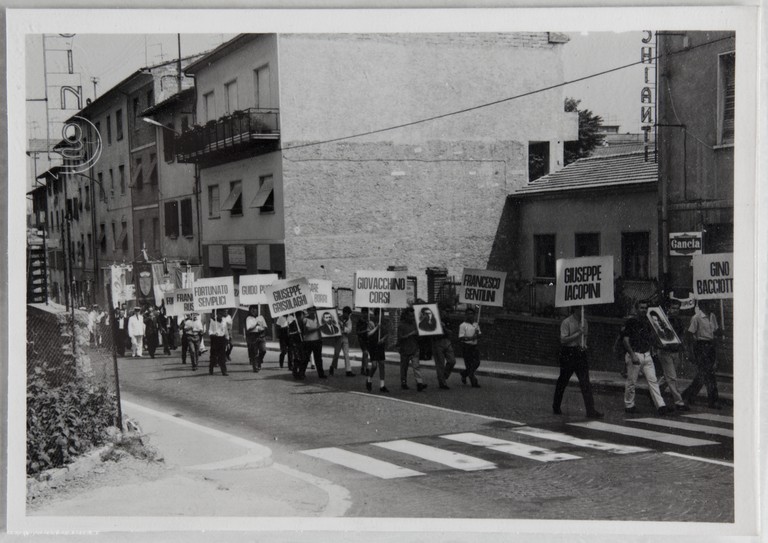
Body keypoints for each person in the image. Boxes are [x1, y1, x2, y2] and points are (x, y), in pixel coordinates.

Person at [551, 305, 603, 418]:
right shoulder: (566, 322)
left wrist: (585, 344)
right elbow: (563, 340)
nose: (583, 311)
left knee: (585, 382)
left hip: (580, 353)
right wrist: (578, 333)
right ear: (575, 309)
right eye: (580, 309)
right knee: (563, 380)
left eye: (584, 308)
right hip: (568, 353)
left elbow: (585, 337)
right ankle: (556, 406)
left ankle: (590, 410)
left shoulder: (585, 322)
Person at [621, 300, 669, 415]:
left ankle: (661, 406)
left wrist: (659, 344)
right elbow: (625, 340)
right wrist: (632, 355)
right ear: (637, 309)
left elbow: (650, 338)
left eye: (645, 308)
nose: (644, 310)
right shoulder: (631, 321)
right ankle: (629, 405)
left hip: (646, 354)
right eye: (641, 308)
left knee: (653, 381)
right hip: (635, 354)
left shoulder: (648, 322)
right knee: (632, 382)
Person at [681, 300, 724, 409]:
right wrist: (690, 351)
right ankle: (713, 401)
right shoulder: (696, 318)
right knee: (709, 374)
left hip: (710, 346)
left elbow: (714, 332)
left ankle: (687, 395)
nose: (712, 305)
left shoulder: (712, 316)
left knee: (704, 374)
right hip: (701, 346)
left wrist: (719, 335)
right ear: (702, 305)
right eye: (709, 303)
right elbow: (689, 334)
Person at [652, 306, 689, 411]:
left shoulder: (679, 321)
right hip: (665, 351)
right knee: (672, 377)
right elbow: (656, 334)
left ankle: (654, 392)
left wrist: (682, 346)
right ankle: (679, 402)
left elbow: (681, 335)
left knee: (668, 376)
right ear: (668, 309)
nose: (675, 310)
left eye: (677, 308)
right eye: (672, 308)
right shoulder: (663, 321)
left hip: (675, 351)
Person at [397, 307, 426, 391]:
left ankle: (419, 383)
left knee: (416, 366)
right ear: (406, 316)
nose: (412, 318)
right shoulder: (401, 325)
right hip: (405, 349)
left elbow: (419, 334)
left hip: (414, 348)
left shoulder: (414, 324)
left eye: (413, 316)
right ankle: (403, 382)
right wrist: (410, 334)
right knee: (404, 367)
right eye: (410, 316)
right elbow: (400, 338)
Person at [431, 304, 456, 390]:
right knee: (440, 363)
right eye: (446, 311)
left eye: (449, 312)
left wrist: (444, 327)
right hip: (437, 341)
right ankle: (442, 382)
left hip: (446, 341)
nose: (447, 313)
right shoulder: (434, 319)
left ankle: (443, 376)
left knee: (452, 361)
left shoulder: (448, 320)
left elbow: (451, 332)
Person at [366, 308, 390, 393]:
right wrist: (376, 328)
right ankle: (369, 379)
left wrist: (383, 339)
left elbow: (387, 333)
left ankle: (382, 385)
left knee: (382, 364)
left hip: (380, 345)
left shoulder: (384, 323)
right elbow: (368, 334)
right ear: (377, 315)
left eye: (383, 314)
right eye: (381, 314)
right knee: (374, 365)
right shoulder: (371, 323)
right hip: (373, 345)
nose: (382, 316)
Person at [458, 307, 482, 388]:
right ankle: (474, 382)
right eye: (468, 314)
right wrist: (471, 338)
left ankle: (464, 374)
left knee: (477, 362)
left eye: (472, 314)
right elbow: (461, 338)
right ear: (466, 315)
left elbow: (480, 335)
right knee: (469, 364)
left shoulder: (476, 324)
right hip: (467, 347)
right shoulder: (463, 325)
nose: (470, 315)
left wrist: (477, 334)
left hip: (474, 346)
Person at [302, 307, 327, 379]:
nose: (313, 312)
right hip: (308, 341)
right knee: (305, 358)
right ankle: (302, 373)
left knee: (318, 359)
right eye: (311, 311)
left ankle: (321, 374)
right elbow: (307, 330)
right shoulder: (305, 320)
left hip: (317, 340)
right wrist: (318, 328)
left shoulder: (319, 319)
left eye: (314, 310)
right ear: (308, 311)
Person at [330, 306, 355, 377]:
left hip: (345, 337)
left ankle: (348, 370)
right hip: (338, 337)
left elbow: (349, 330)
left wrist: (342, 326)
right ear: (344, 313)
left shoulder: (349, 320)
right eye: (347, 314)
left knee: (346, 354)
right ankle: (332, 367)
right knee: (336, 354)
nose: (348, 315)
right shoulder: (338, 318)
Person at [245, 305, 268, 372]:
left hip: (261, 335)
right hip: (253, 336)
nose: (253, 311)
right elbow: (248, 329)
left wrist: (262, 328)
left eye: (254, 309)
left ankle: (259, 361)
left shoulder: (261, 317)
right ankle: (255, 367)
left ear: (257, 310)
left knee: (263, 350)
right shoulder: (248, 318)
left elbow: (265, 326)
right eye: (252, 309)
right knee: (254, 353)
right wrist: (255, 325)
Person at [208, 308, 230, 376]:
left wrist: (227, 339)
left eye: (222, 313)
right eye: (219, 313)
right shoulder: (212, 321)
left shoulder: (224, 321)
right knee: (213, 356)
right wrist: (213, 334)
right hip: (215, 339)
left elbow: (226, 331)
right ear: (217, 314)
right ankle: (211, 369)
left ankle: (224, 371)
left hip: (222, 339)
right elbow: (210, 331)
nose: (221, 315)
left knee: (222, 356)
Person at [289, 312, 306, 379]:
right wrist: (296, 332)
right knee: (297, 358)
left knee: (303, 358)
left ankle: (301, 373)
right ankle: (295, 372)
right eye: (302, 315)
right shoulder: (292, 323)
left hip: (302, 342)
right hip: (295, 343)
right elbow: (289, 333)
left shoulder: (303, 323)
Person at [356, 308, 371, 376]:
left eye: (366, 313)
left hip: (367, 339)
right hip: (361, 339)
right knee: (366, 353)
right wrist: (365, 331)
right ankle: (367, 369)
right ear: (362, 313)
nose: (365, 314)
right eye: (364, 313)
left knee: (364, 354)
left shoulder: (368, 321)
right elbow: (357, 332)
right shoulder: (359, 322)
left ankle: (362, 368)